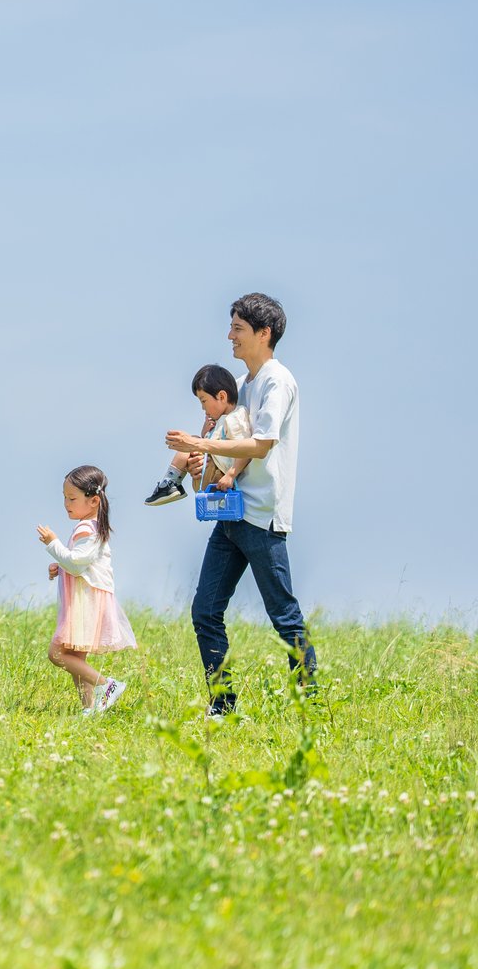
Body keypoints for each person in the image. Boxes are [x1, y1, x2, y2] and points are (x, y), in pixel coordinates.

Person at [166, 292, 317, 714]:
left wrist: (198, 442)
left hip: (263, 518)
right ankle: (223, 706)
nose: (228, 336)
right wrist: (212, 466)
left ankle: (311, 706)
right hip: (232, 514)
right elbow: (238, 448)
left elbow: (263, 444)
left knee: (284, 617)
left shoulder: (276, 380)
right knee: (205, 611)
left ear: (264, 333)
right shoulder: (245, 385)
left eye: (237, 328)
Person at [39, 465, 136, 714]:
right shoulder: (89, 527)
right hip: (84, 596)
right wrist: (60, 567)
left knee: (58, 653)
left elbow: (77, 562)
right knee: (75, 657)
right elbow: (78, 563)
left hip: (87, 599)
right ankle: (90, 708)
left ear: (93, 501)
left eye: (71, 498)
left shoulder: (87, 529)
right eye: (64, 497)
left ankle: (108, 685)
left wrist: (53, 544)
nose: (65, 503)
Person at [145, 365, 253, 506]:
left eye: (204, 401)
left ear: (222, 396)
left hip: (220, 476)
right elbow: (212, 444)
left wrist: (231, 475)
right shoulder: (219, 420)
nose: (203, 407)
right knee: (196, 439)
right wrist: (205, 432)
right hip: (210, 478)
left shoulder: (235, 418)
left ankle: (170, 482)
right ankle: (172, 482)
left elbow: (244, 450)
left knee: (193, 440)